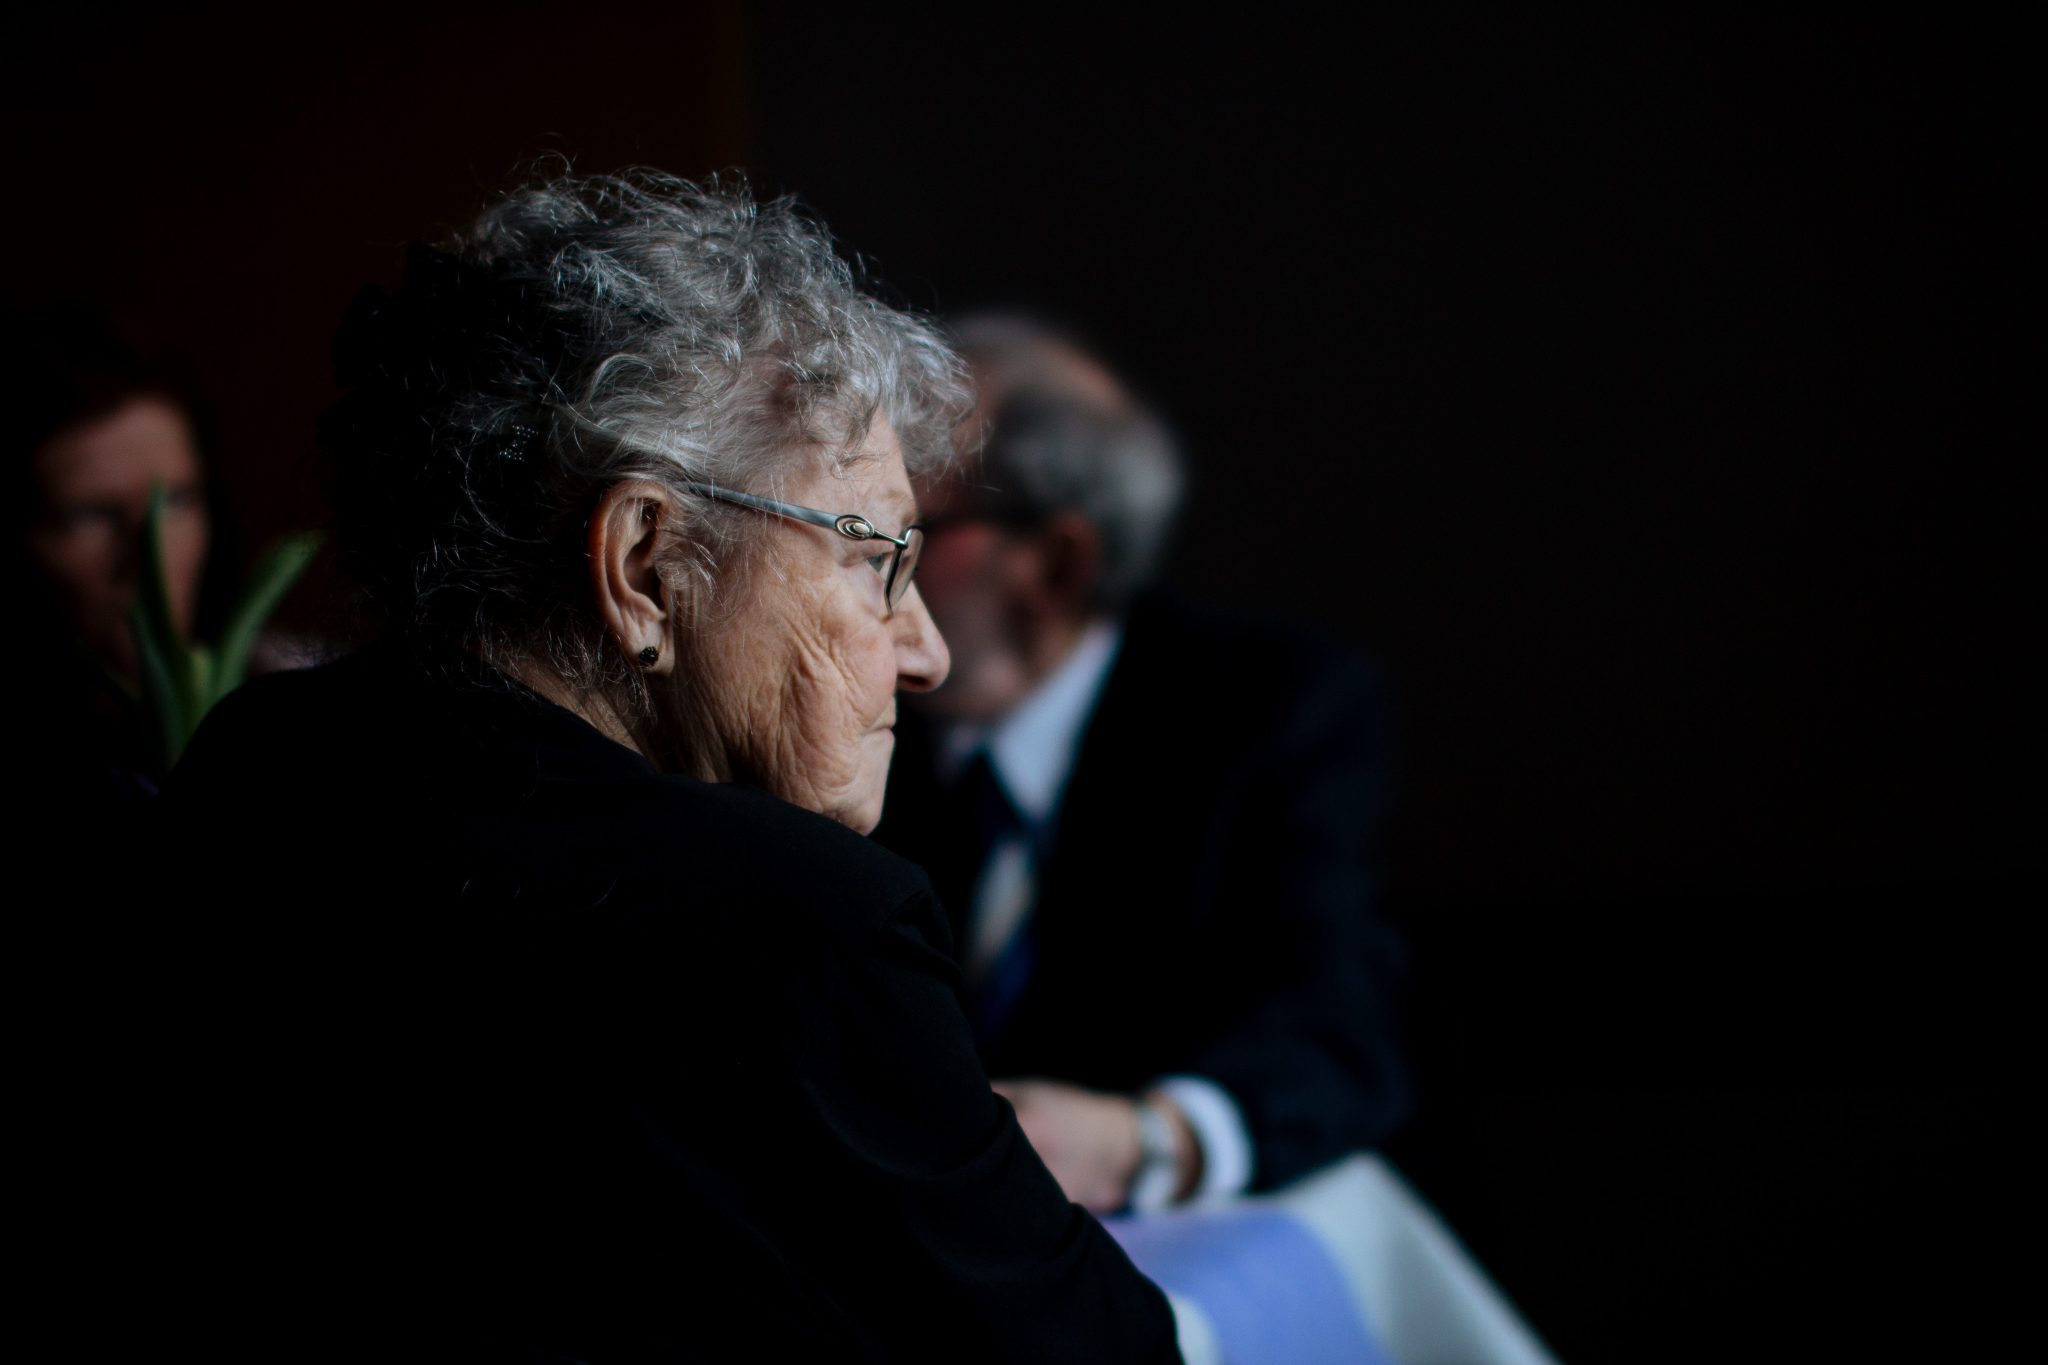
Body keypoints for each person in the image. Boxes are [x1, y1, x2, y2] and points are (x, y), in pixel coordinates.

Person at [162, 174, 1179, 1362]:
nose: (925, 652)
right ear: (645, 565)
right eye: (875, 562)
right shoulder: (796, 924)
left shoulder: (257, 759)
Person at [873, 316, 1410, 1215]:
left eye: (909, 526)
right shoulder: (844, 723)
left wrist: (1145, 1140)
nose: (868, 568)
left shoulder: (1273, 709)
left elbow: (1341, 1030)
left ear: (1056, 566)